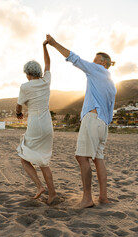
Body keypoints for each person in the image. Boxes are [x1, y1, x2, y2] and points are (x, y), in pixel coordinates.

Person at [46, 34, 116, 209]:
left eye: (95, 60)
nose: (92, 63)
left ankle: (87, 198)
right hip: (103, 124)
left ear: (103, 64)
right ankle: (104, 197)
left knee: (81, 157)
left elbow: (74, 58)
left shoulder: (97, 70)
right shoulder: (112, 83)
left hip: (93, 120)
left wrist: (54, 44)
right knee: (98, 158)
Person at [16, 40, 57, 205]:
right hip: (47, 125)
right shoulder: (46, 81)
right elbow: (48, 63)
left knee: (23, 156)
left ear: (27, 73)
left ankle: (39, 186)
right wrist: (44, 46)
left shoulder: (25, 86)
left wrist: (18, 113)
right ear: (38, 71)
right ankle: (52, 194)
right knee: (43, 161)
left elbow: (19, 105)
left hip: (34, 125)